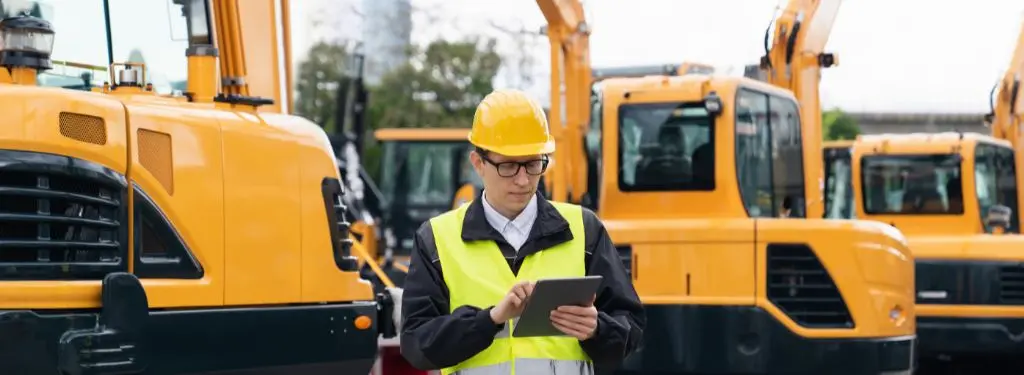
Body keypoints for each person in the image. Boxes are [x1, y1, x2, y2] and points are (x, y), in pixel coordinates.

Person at [399, 89, 645, 375]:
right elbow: (416, 344)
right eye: (508, 166)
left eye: (533, 164)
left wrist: (597, 329)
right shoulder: (436, 239)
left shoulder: (585, 229)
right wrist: (490, 320)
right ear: (478, 163)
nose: (523, 179)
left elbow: (631, 328)